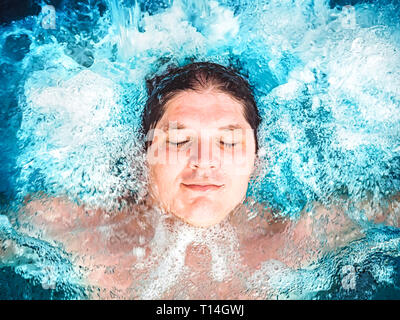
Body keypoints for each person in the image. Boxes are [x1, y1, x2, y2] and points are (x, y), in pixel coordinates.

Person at [9, 62, 400, 299]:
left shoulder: (306, 236)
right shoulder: (67, 228)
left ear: (258, 159)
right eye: (179, 140)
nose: (204, 163)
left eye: (228, 141)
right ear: (141, 155)